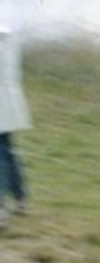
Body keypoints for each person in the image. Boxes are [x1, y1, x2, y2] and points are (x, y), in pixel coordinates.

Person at [0, 21, 30, 229]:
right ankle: (21, 199)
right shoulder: (9, 33)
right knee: (7, 151)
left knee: (2, 153)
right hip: (9, 99)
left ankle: (1, 209)